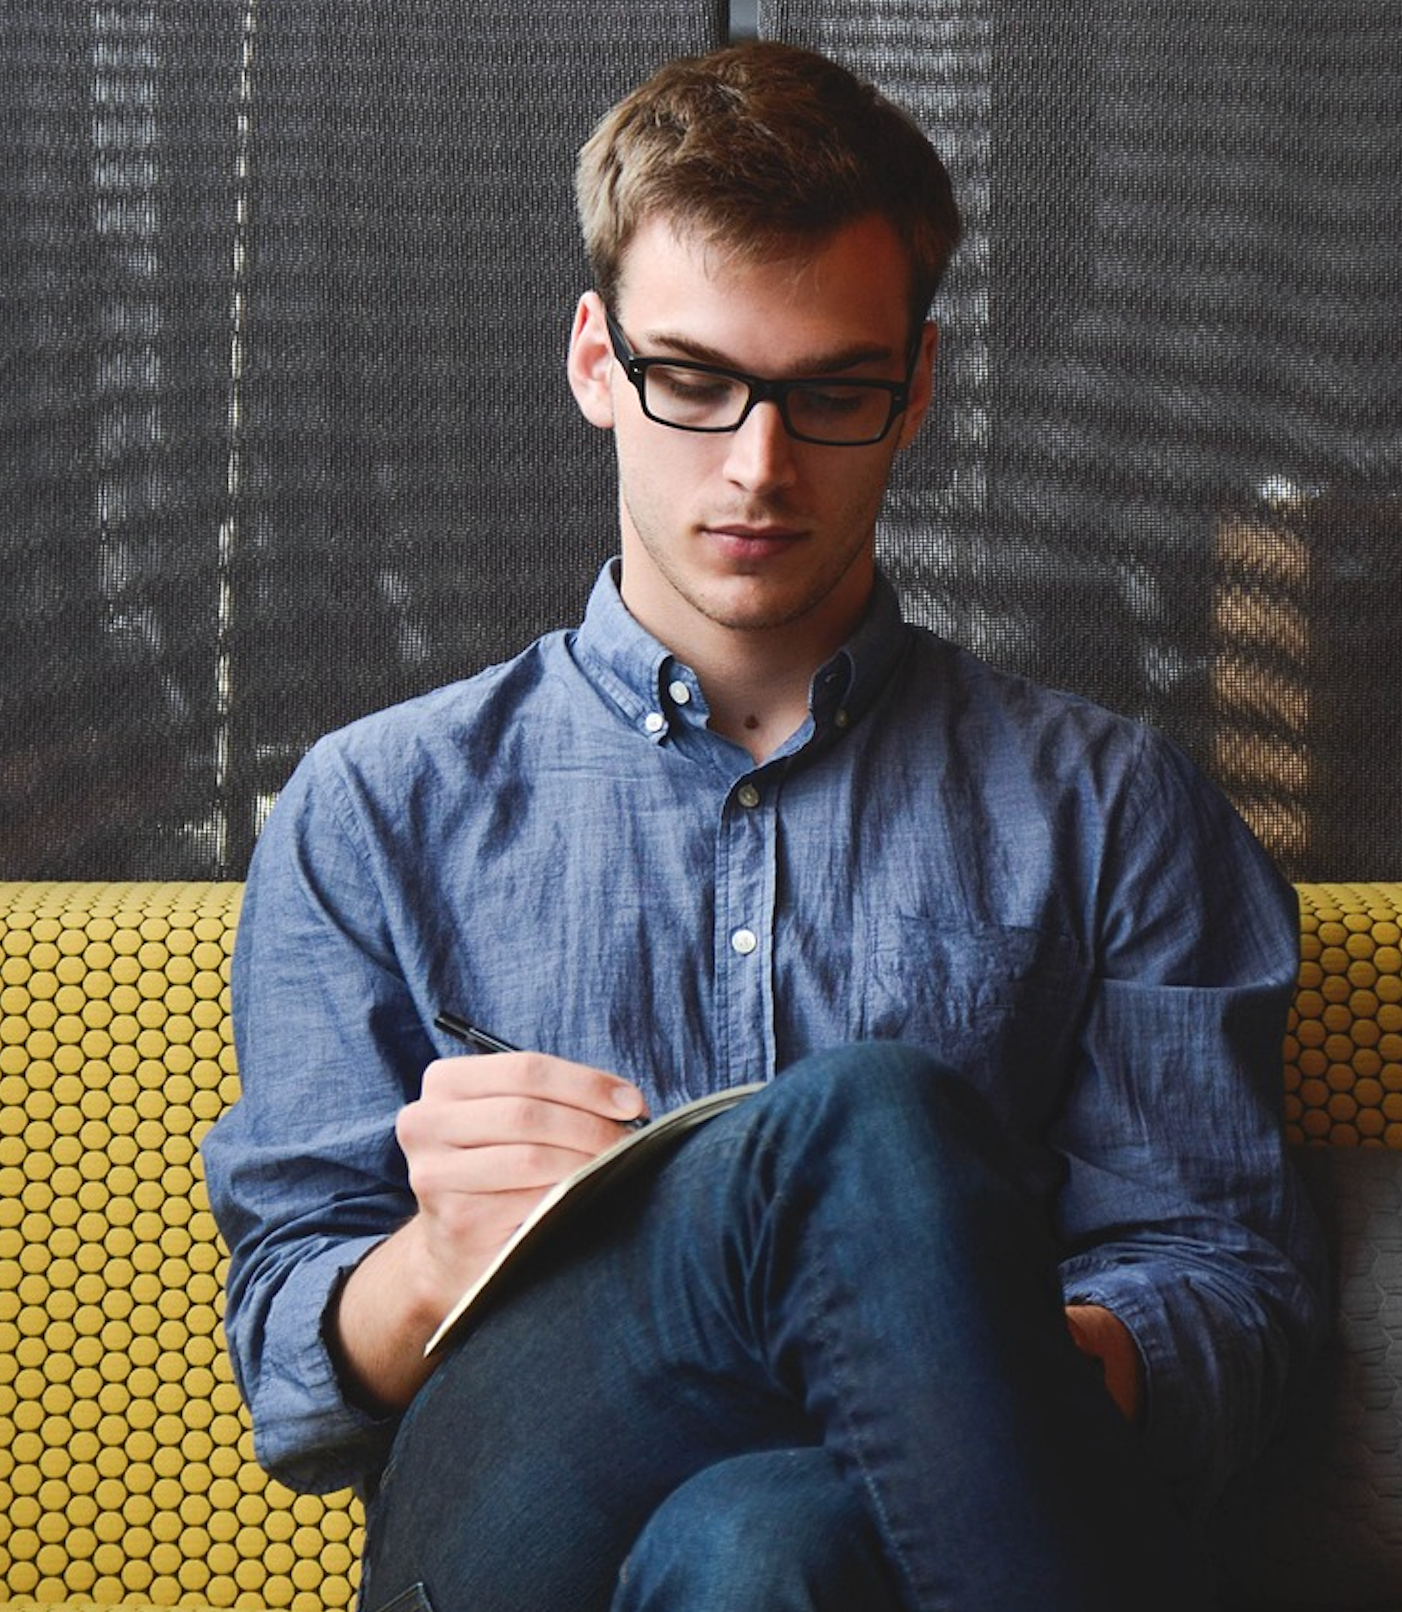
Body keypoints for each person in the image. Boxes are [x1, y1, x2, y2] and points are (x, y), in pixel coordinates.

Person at [203, 40, 1326, 1612]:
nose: (756, 464)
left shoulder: (1113, 805)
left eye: (830, 394)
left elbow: (1226, 1304)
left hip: (865, 1538)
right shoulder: (377, 804)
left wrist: (936, 1338)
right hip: (509, 1528)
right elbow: (290, 1363)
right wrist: (433, 1258)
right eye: (694, 380)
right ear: (596, 361)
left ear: (917, 388)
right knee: (865, 1126)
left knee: (767, 1544)